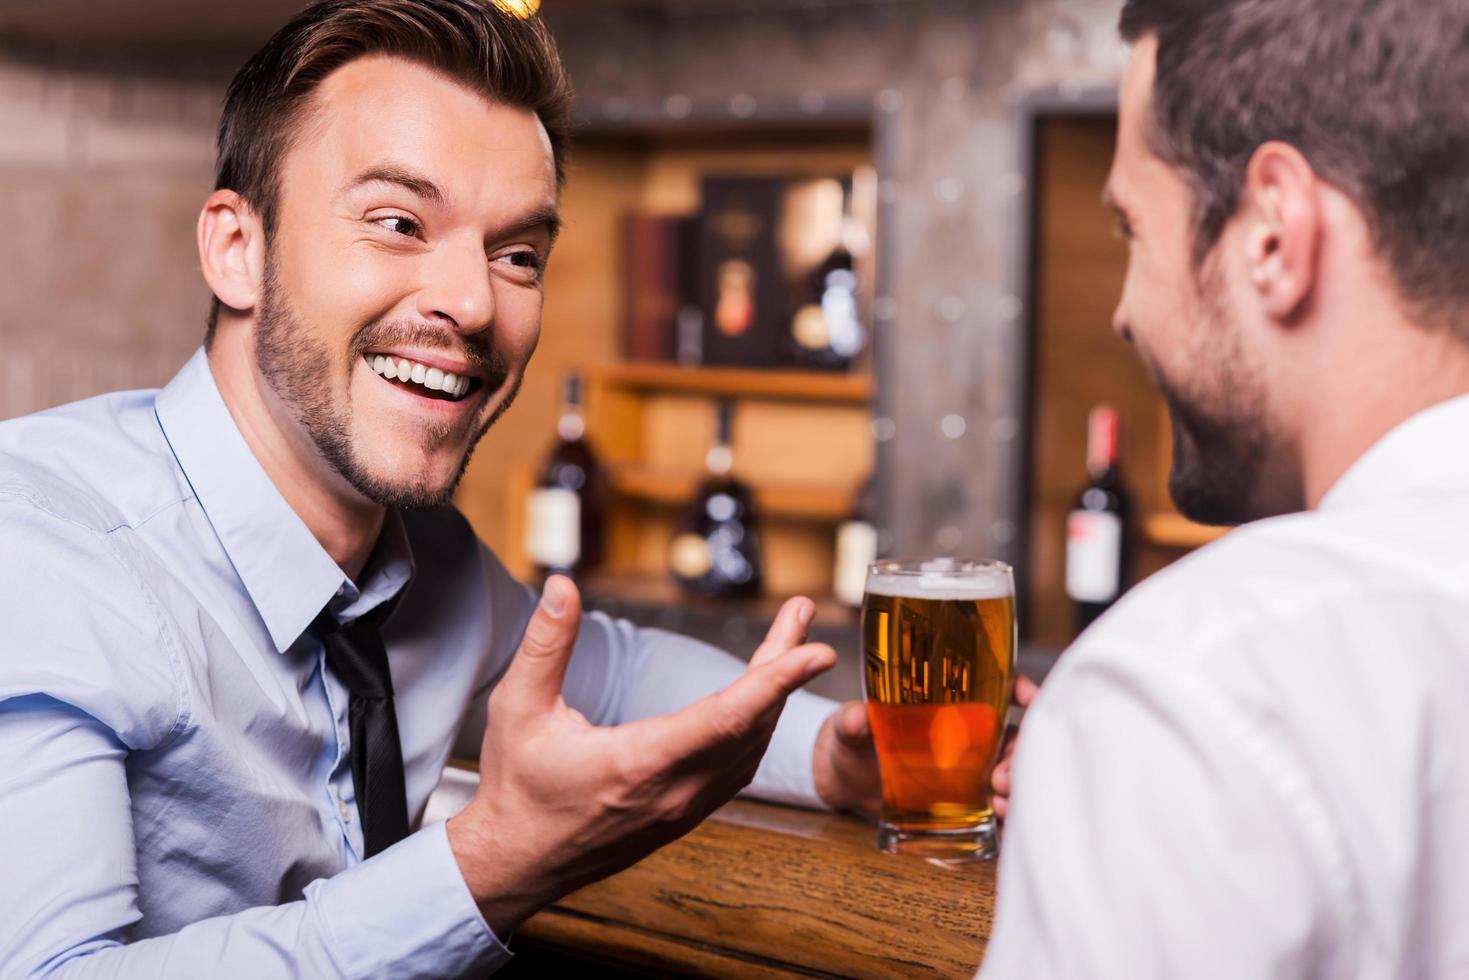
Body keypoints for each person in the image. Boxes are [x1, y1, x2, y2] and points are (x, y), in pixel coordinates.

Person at [0, 2, 886, 976]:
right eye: (398, 222)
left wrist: (838, 758)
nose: (471, 303)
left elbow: (619, 676)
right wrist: (494, 861)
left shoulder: (428, 558)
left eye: (516, 254)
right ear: (236, 249)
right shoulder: (41, 546)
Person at [981, 0, 1469, 976]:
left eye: (1131, 227)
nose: (1122, 312)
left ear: (1272, 235)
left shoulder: (1191, 678)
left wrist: (1130, 789)